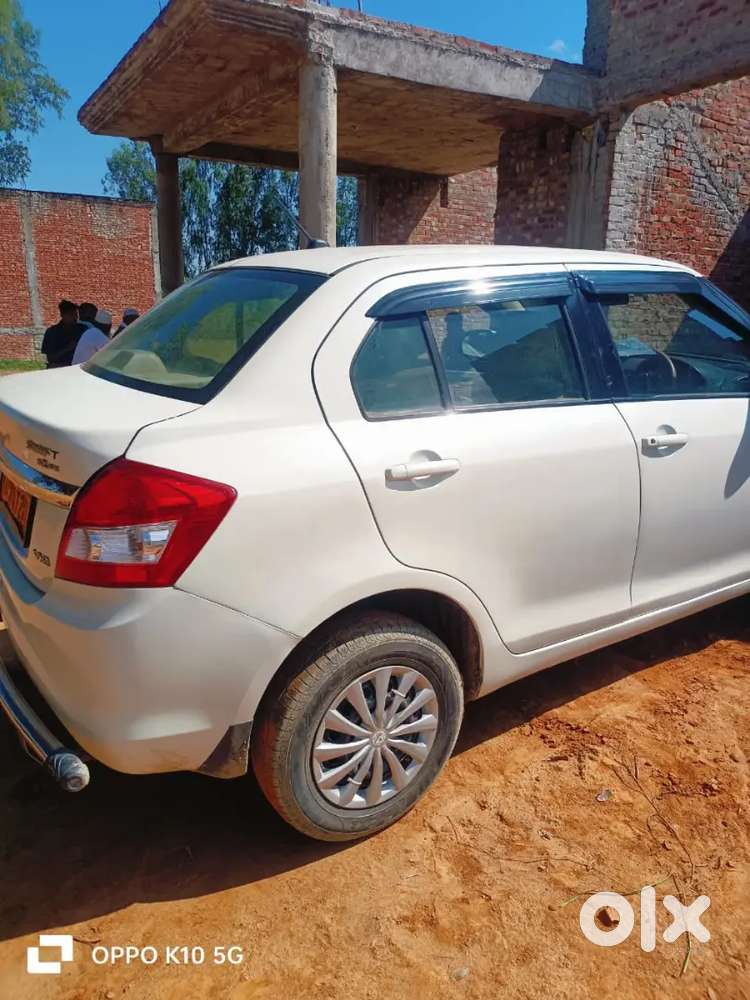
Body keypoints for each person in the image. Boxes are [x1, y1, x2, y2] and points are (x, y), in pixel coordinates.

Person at [41, 300, 86, 368]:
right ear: (62, 315)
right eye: (71, 315)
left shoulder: (82, 329)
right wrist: (68, 348)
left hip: (80, 366)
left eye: (76, 314)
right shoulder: (52, 332)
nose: (75, 317)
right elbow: (50, 358)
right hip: (60, 367)